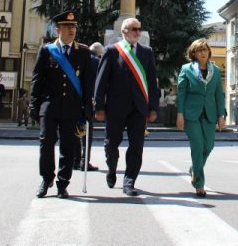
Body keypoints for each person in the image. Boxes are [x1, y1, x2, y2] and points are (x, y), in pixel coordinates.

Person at [31, 11, 93, 199]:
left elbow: (87, 82)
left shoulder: (83, 52)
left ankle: (62, 183)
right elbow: (37, 79)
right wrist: (33, 104)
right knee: (46, 143)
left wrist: (88, 106)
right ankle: (46, 178)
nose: (71, 30)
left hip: (72, 107)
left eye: (73, 27)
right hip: (49, 106)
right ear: (58, 29)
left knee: (68, 147)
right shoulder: (47, 50)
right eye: (67, 27)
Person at [94, 17, 158, 197]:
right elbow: (101, 81)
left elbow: (152, 82)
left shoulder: (147, 52)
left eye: (139, 29)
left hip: (139, 108)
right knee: (111, 144)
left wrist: (153, 107)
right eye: (133, 29)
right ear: (124, 32)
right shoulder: (112, 51)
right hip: (115, 107)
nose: (137, 32)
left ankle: (129, 182)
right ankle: (112, 168)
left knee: (136, 146)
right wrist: (98, 106)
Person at [175, 39, 226, 197]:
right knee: (197, 146)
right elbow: (181, 94)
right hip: (191, 114)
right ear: (194, 53)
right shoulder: (186, 69)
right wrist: (180, 114)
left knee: (208, 146)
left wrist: (221, 115)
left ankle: (194, 169)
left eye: (205, 50)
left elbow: (219, 94)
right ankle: (199, 184)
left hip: (209, 114)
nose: (202, 52)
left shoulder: (215, 71)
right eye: (199, 50)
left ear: (209, 52)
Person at [74, 42, 104, 172]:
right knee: (87, 133)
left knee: (75, 131)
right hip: (89, 101)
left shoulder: (79, 59)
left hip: (75, 100)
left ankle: (75, 160)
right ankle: (84, 161)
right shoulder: (97, 62)